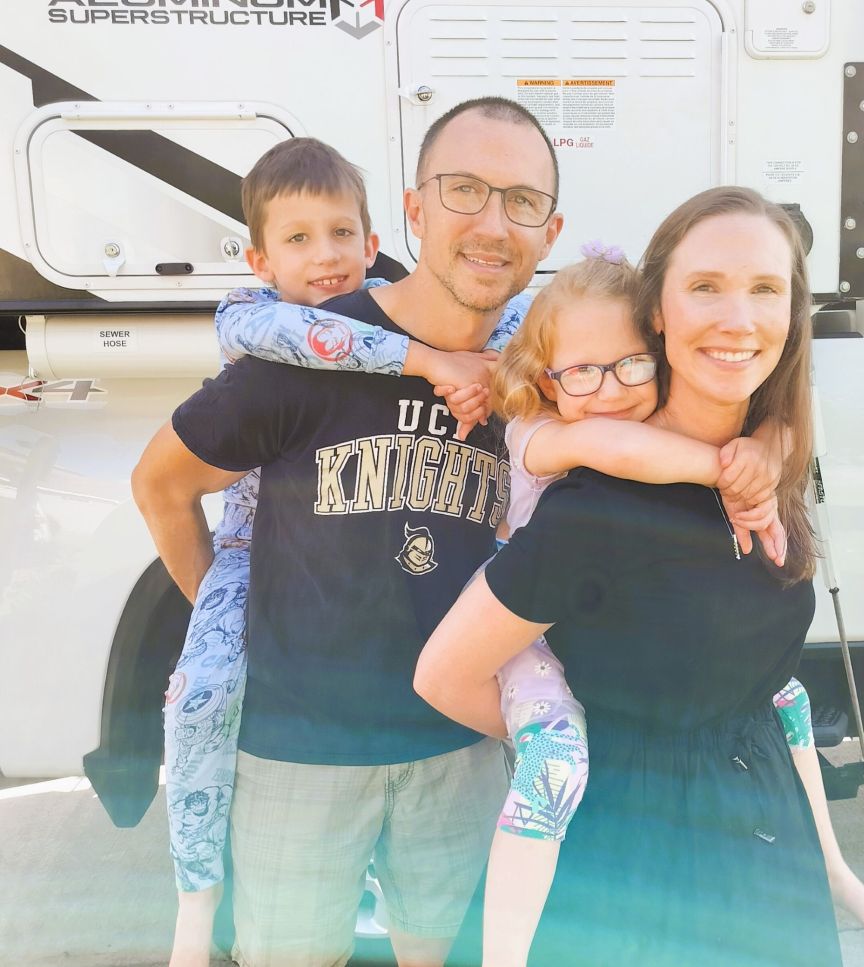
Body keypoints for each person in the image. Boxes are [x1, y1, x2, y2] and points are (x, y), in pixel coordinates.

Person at [416, 187, 864, 966]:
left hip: (771, 864)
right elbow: (444, 675)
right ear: (658, 315)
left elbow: (772, 692)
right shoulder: (596, 506)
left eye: (765, 288)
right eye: (706, 285)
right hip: (634, 876)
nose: (738, 318)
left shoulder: (765, 463)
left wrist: (831, 863)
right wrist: (593, 750)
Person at [133, 97, 562, 967]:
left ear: (549, 234)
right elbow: (161, 485)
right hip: (299, 749)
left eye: (521, 201)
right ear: (412, 211)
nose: (491, 222)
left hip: (460, 744)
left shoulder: (535, 372)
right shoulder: (309, 351)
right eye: (464, 189)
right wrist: (232, 611)